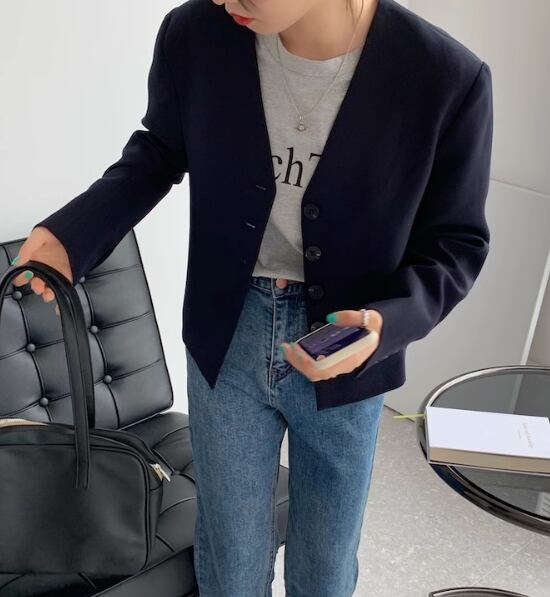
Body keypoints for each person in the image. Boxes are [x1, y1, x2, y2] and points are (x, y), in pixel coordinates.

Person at [12, 0, 493, 594]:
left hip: (345, 354)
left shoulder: (445, 76)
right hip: (226, 335)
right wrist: (73, 233)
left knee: (324, 568)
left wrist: (385, 324)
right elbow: (158, 152)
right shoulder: (196, 34)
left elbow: (456, 243)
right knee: (230, 561)